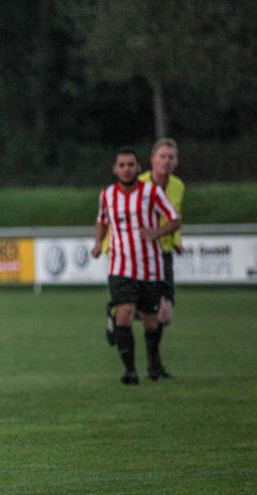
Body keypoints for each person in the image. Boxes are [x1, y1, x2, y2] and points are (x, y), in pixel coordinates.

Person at [91, 148, 180, 384]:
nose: (126, 169)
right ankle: (130, 371)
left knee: (152, 320)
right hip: (120, 266)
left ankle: (153, 365)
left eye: (130, 165)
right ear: (115, 169)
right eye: (122, 165)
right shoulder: (107, 194)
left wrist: (156, 233)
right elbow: (102, 220)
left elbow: (174, 219)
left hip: (151, 268)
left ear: (138, 168)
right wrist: (98, 242)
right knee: (125, 315)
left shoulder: (152, 192)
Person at [138, 139, 184, 328]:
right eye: (162, 156)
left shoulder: (178, 186)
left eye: (170, 157)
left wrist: (176, 240)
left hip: (164, 253)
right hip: (140, 254)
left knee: (164, 317)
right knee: (139, 309)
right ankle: (120, 312)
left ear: (176, 161)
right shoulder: (138, 184)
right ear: (153, 160)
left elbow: (176, 216)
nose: (166, 161)